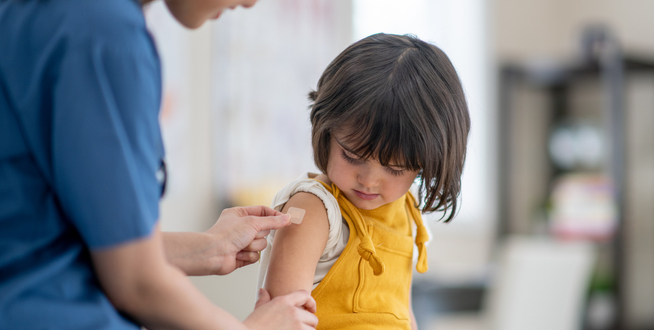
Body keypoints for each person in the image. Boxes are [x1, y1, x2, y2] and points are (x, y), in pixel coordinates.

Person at [0, 0, 318, 329]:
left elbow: (57, 238)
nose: (251, 2)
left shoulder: (46, 13)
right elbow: (136, 282)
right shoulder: (105, 35)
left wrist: (211, 247)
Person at [257, 33, 471, 329]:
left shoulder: (404, 210)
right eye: (352, 156)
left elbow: (402, 313)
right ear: (327, 132)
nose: (369, 180)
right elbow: (281, 320)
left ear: (423, 165)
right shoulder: (314, 210)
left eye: (396, 169)